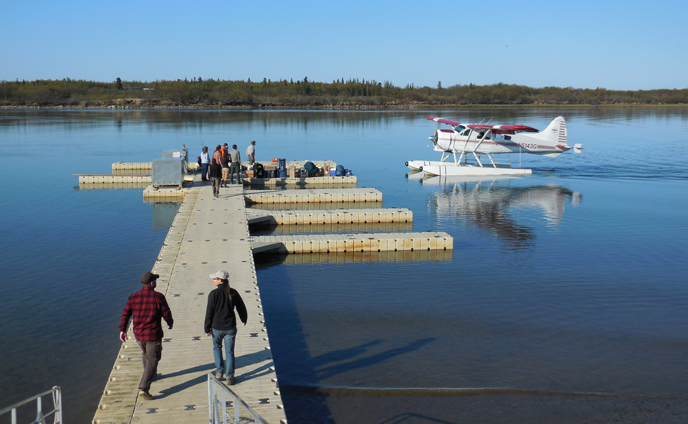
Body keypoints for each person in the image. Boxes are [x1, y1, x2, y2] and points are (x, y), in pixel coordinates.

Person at [119, 272, 174, 400]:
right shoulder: (158, 297)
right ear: (151, 283)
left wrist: (122, 330)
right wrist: (170, 323)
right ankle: (144, 387)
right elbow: (166, 312)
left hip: (139, 334)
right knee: (154, 358)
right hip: (153, 334)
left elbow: (125, 314)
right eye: (155, 280)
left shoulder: (133, 297)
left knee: (146, 354)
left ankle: (151, 375)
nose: (156, 282)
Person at [204, 270, 247, 385]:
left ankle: (219, 371)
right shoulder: (233, 292)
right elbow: (241, 307)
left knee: (217, 348)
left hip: (216, 328)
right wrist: (244, 319)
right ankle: (230, 377)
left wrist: (206, 328)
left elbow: (209, 312)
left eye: (215, 278)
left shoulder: (213, 294)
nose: (213, 280)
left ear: (220, 280)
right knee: (229, 352)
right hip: (230, 328)